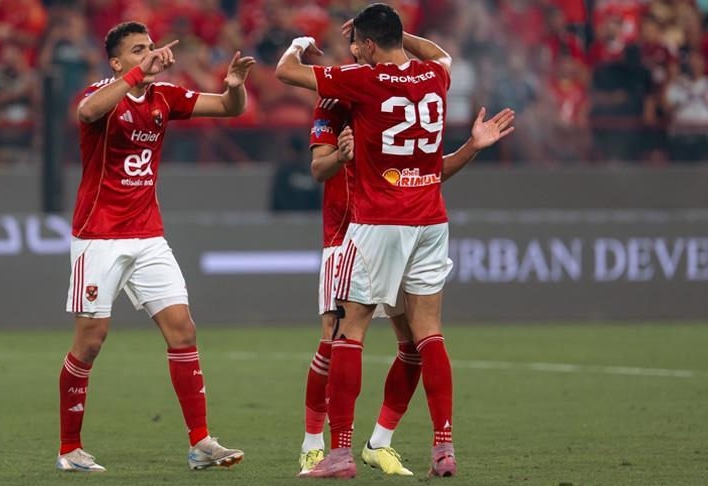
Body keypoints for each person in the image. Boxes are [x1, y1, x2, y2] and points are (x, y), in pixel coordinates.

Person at [298, 23, 515, 478]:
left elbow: (286, 72)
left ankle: (358, 448)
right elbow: (320, 168)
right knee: (417, 333)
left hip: (374, 226)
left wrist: (298, 46)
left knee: (369, 337)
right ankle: (431, 447)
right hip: (407, 224)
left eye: (357, 41)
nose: (353, 49)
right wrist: (340, 157)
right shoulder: (424, 79)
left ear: (368, 44)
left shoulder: (370, 82)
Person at [56, 21, 255, 473]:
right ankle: (70, 449)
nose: (149, 54)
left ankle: (201, 443)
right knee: (90, 342)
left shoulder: (165, 96)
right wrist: (136, 74)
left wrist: (235, 85)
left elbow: (229, 108)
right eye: (137, 50)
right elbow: (86, 113)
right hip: (98, 236)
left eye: (150, 47)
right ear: (116, 62)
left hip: (148, 235)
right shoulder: (102, 94)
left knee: (183, 330)